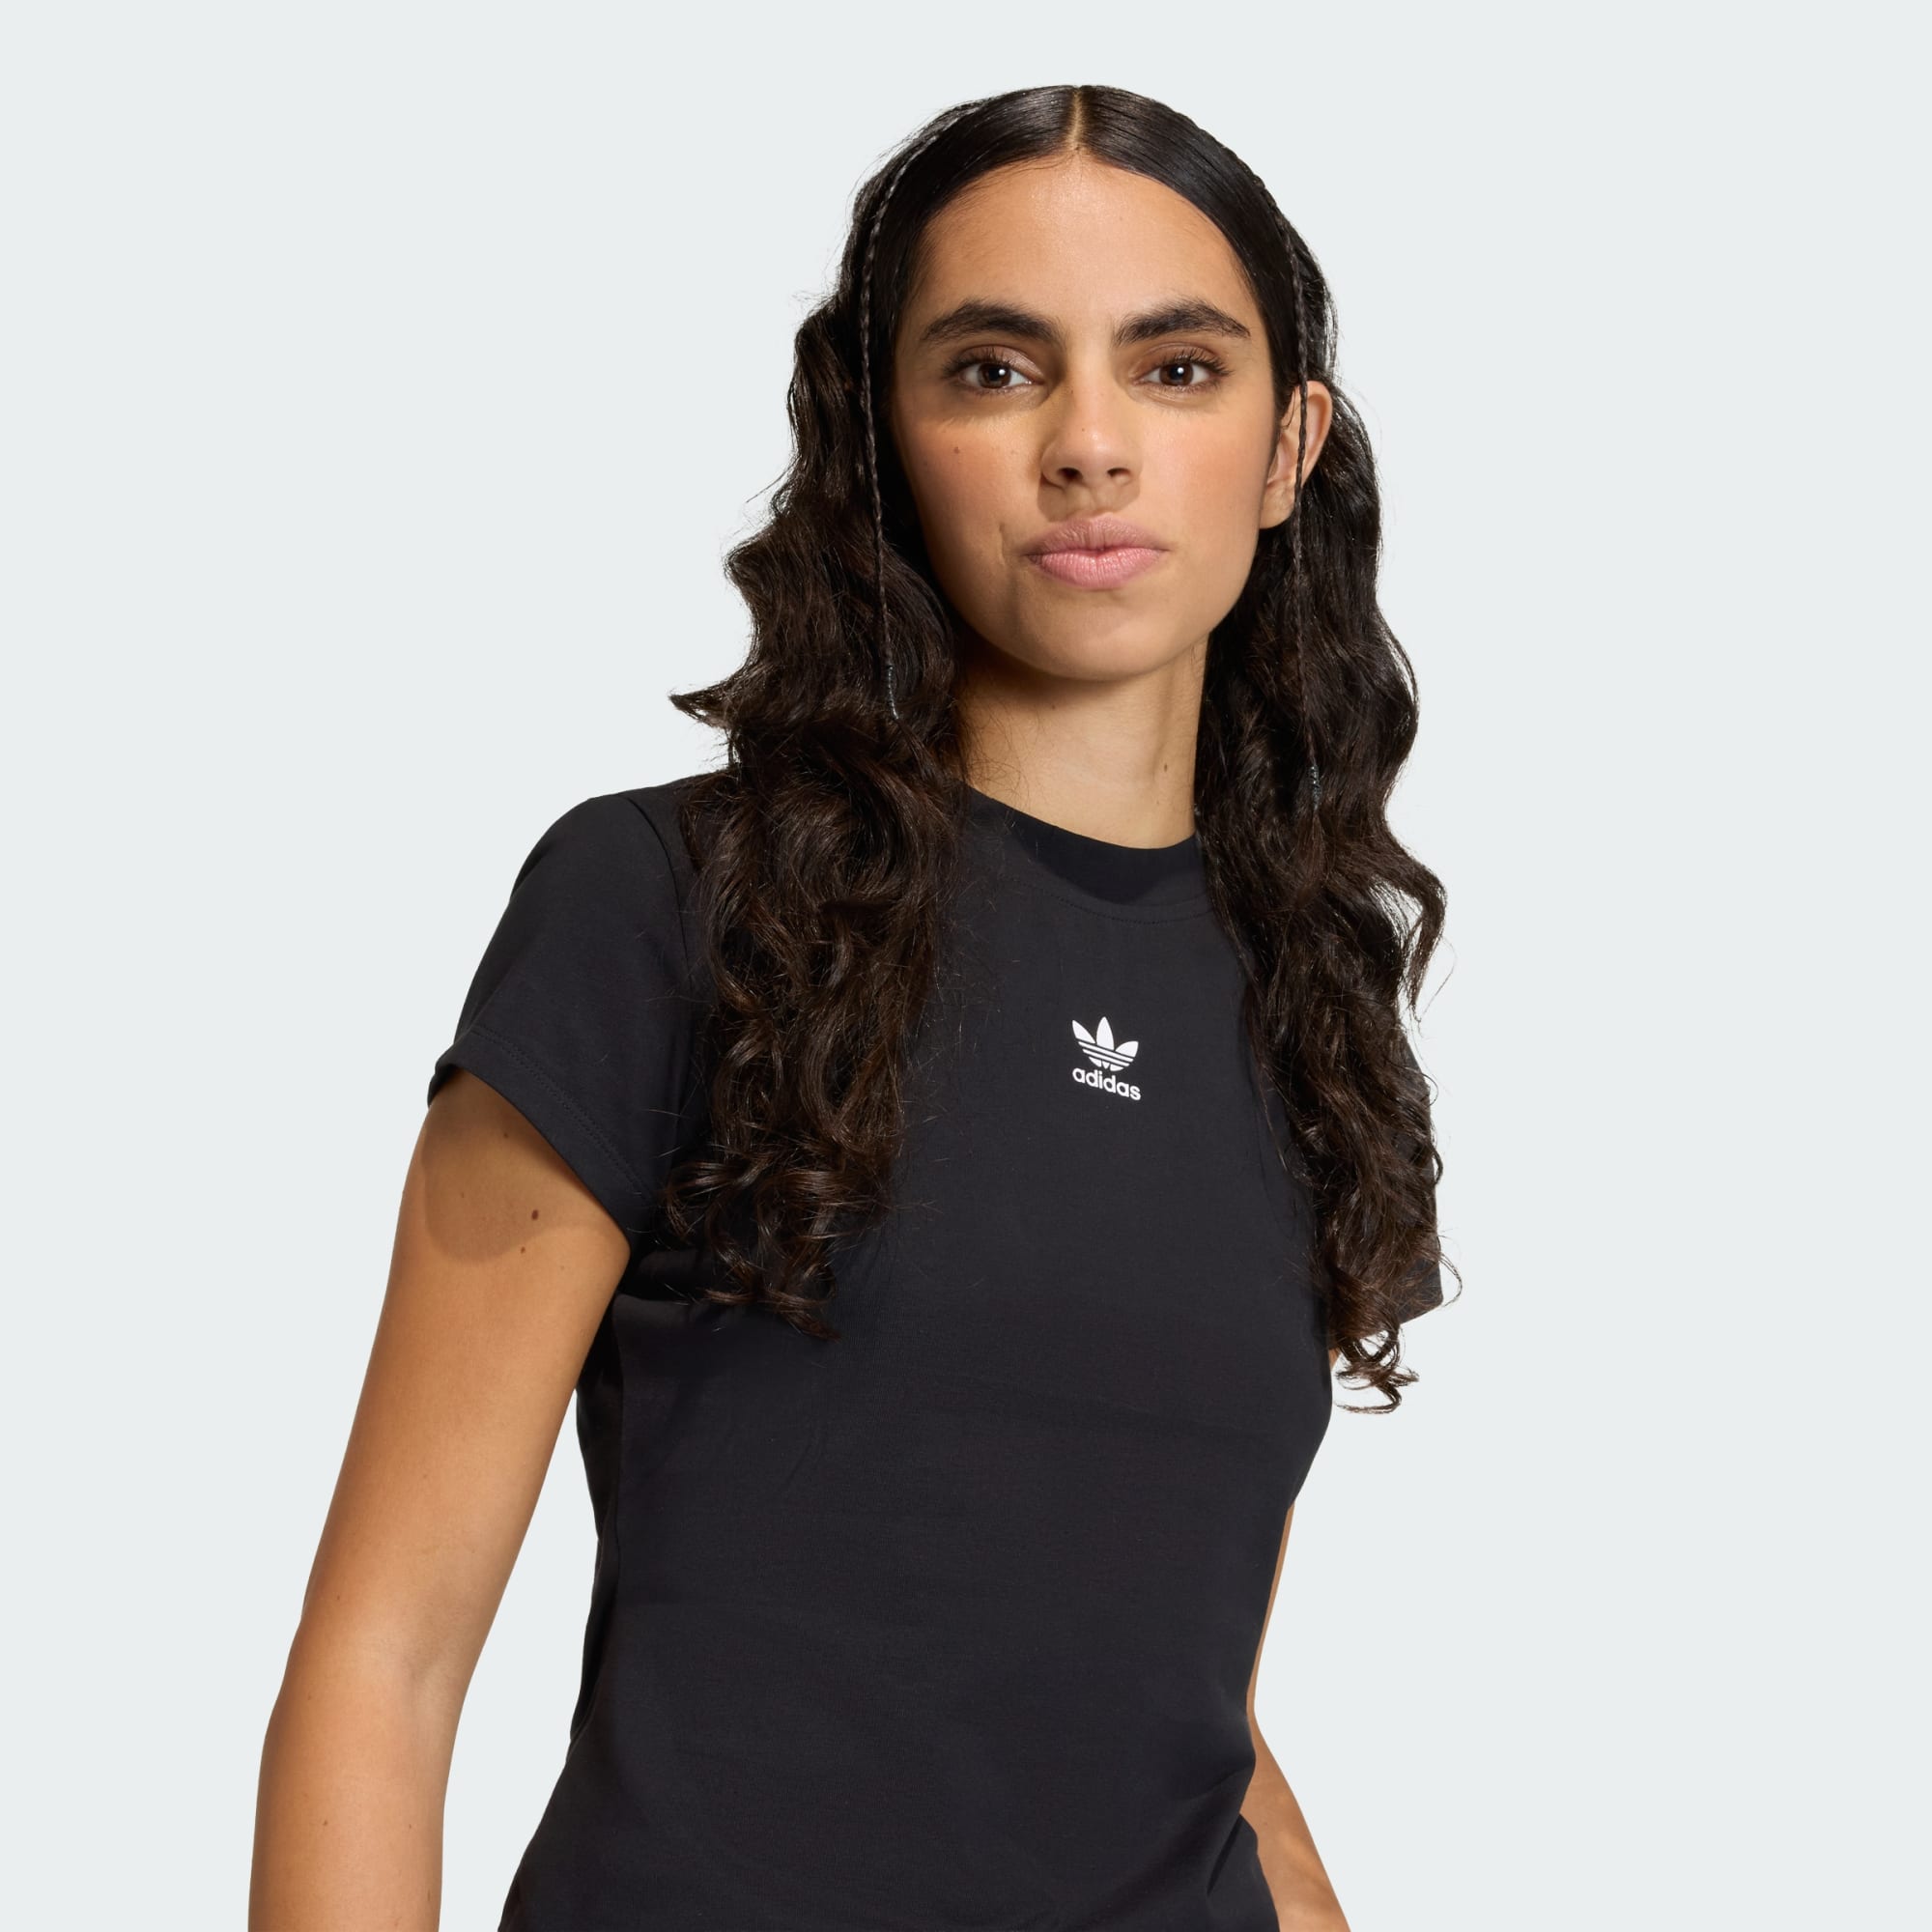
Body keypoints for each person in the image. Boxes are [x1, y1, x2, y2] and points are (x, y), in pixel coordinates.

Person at [250, 81, 1454, 1932]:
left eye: (1176, 370)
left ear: (1290, 443)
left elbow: (1175, 1703)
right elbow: (386, 1661)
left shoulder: (1311, 998)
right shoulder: (665, 903)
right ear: (882, 432)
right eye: (995, 369)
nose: (1089, 447)